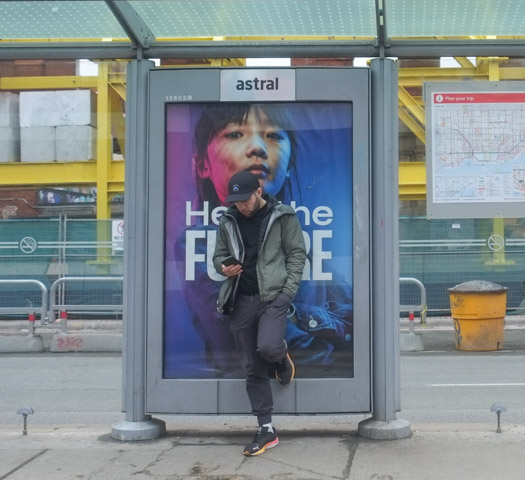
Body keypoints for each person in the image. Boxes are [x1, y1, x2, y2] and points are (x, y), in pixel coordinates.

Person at [171, 102, 353, 378]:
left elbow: (356, 321)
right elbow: (300, 351)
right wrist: (314, 318)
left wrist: (293, 315)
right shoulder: (199, 243)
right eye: (234, 134)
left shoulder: (298, 240)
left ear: (290, 167)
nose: (257, 147)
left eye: (274, 135)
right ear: (201, 164)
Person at [213, 170, 306, 456]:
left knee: (267, 345)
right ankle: (266, 429)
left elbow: (297, 254)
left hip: (273, 297)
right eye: (236, 200)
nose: (240, 205)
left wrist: (287, 292)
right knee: (252, 366)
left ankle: (279, 358)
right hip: (241, 298)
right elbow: (218, 256)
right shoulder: (228, 220)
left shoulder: (282, 216)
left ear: (259, 191)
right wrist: (223, 267)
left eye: (244, 199)